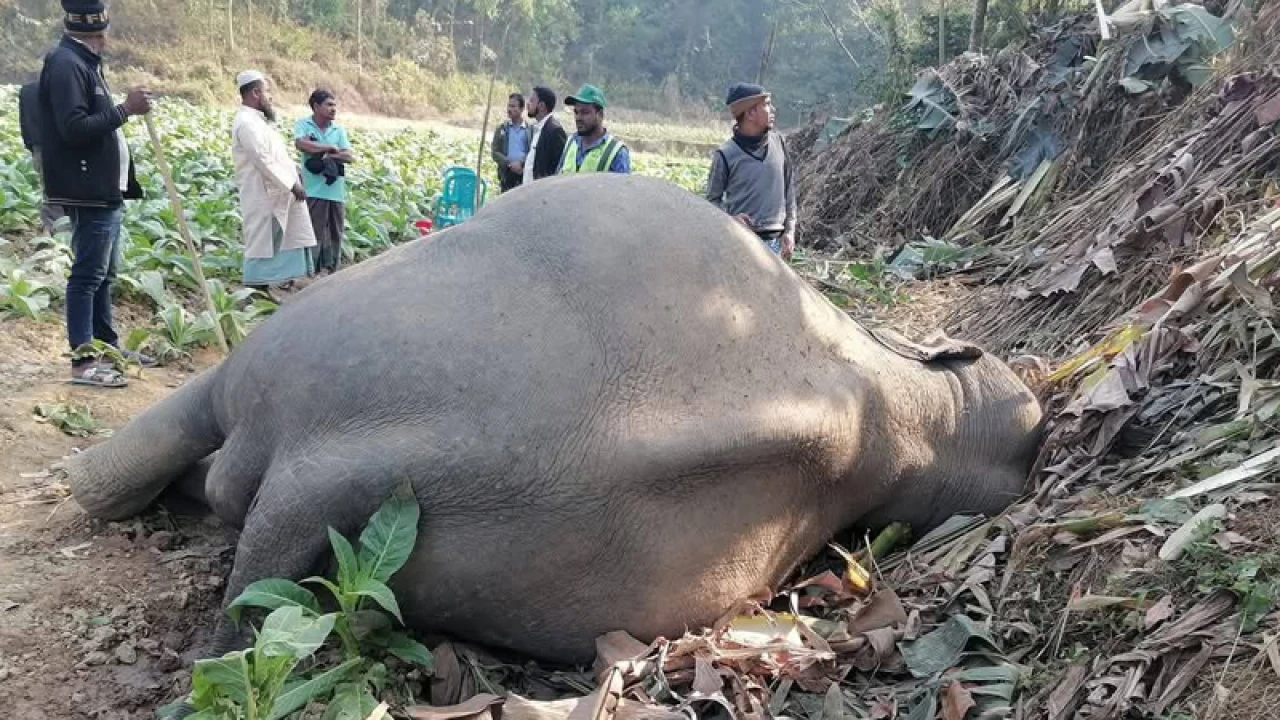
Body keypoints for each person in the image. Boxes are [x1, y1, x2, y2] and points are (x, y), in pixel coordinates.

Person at [39, 0, 156, 387]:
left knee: (105, 274)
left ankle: (106, 345)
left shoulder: (84, 62)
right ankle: (83, 360)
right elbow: (73, 128)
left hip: (104, 190)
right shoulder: (66, 64)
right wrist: (125, 110)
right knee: (88, 275)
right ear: (98, 29)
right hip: (87, 189)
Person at [231, 70, 316, 298]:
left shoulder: (257, 121)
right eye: (267, 91)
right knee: (262, 242)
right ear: (255, 93)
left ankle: (271, 286)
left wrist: (295, 172)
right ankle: (255, 291)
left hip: (277, 190)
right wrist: (291, 185)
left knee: (282, 238)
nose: (270, 97)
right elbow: (263, 160)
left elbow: (275, 155)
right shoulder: (246, 123)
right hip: (263, 192)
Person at [705, 82, 797, 260]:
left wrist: (790, 230)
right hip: (741, 242)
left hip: (776, 243)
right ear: (750, 113)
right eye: (767, 104)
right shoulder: (725, 154)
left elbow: (789, 190)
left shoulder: (779, 144)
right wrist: (731, 219)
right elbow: (711, 201)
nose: (773, 110)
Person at [294, 89, 353, 276]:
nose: (333, 109)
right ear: (316, 106)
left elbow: (348, 156)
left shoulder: (338, 130)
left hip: (335, 191)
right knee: (313, 231)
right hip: (313, 189)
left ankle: (331, 270)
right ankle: (309, 270)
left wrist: (326, 154)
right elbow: (301, 144)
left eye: (334, 105)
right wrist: (330, 147)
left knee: (335, 231)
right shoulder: (303, 125)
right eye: (329, 105)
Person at [18, 80, 65, 234]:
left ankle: (49, 227)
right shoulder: (59, 88)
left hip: (38, 145)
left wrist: (31, 146)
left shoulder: (27, 90)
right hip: (58, 146)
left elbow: (24, 123)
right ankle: (58, 229)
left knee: (48, 188)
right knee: (61, 190)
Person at [559, 84, 630, 175]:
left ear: (600, 115)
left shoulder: (616, 152)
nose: (578, 118)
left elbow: (623, 183)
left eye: (585, 112)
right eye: (576, 112)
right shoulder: (570, 142)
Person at [522, 85, 568, 184]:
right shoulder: (538, 128)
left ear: (542, 106)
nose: (527, 104)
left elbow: (557, 168)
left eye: (532, 101)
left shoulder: (554, 130)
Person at [491, 93, 529, 193]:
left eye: (513, 106)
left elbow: (532, 152)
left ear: (521, 109)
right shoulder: (502, 129)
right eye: (508, 106)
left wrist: (521, 163)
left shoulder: (530, 130)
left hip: (523, 173)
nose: (509, 109)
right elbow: (494, 152)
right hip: (506, 174)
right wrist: (509, 163)